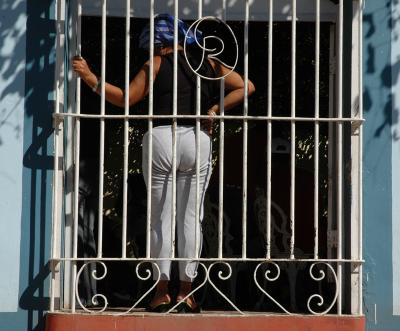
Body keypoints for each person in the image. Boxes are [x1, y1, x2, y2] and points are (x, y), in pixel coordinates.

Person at [72, 13, 255, 313]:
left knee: (161, 218)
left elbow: (126, 98)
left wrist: (91, 78)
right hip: (197, 140)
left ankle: (161, 293)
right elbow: (246, 86)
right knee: (190, 218)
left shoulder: (155, 64)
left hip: (161, 137)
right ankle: (186, 292)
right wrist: (213, 109)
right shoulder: (206, 62)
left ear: (156, 42)